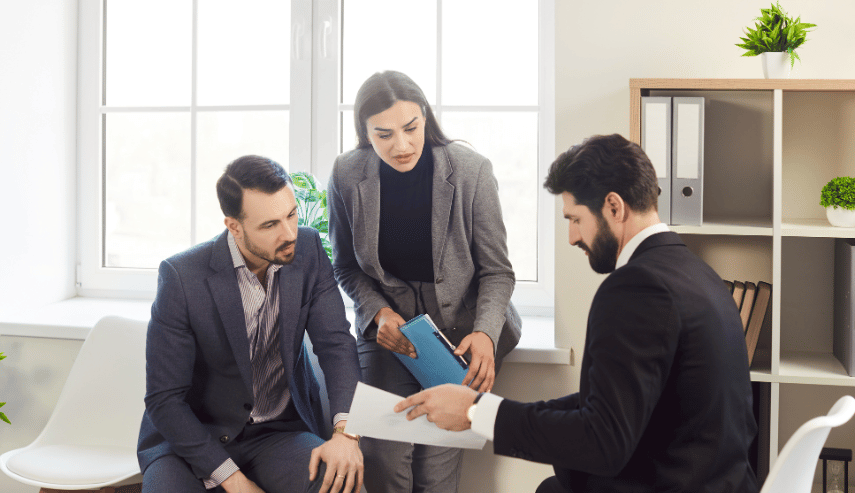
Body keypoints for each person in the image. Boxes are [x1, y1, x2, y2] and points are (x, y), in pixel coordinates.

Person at [395, 134, 759, 493]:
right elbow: (616, 403)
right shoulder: (701, 275)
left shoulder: (637, 287)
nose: (572, 237)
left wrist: (476, 413)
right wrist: (488, 408)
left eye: (576, 219)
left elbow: (602, 441)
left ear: (614, 207)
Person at [327, 70, 522, 492]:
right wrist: (378, 313)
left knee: (435, 471)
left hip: (462, 332)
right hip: (391, 333)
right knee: (383, 458)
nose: (401, 145)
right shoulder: (346, 174)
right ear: (364, 133)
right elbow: (345, 265)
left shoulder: (470, 171)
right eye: (383, 135)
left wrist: (485, 334)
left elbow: (497, 271)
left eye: (411, 128)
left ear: (426, 118)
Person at [137, 155, 363, 493]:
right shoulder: (181, 277)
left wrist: (346, 433)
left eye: (291, 215)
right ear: (234, 226)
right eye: (270, 225)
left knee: (339, 482)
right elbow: (165, 399)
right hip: (192, 440)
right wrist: (235, 481)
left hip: (277, 433)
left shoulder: (309, 251)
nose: (289, 234)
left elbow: (336, 345)